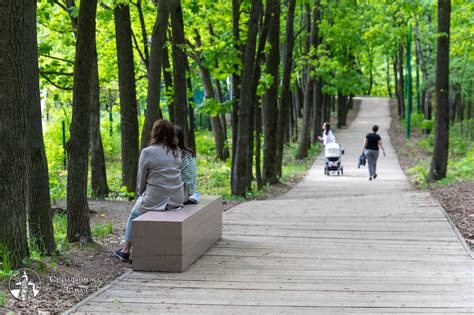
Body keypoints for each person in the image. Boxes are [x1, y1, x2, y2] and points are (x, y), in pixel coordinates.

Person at [114, 119, 184, 262]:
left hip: (156, 199)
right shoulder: (176, 152)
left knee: (134, 214)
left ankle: (126, 250)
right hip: (177, 199)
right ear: (171, 134)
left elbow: (141, 180)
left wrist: (141, 194)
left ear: (155, 133)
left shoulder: (147, 152)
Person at [175, 126, 200, 204]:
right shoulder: (186, 153)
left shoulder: (178, 154)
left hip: (184, 193)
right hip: (191, 191)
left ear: (179, 139)